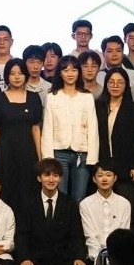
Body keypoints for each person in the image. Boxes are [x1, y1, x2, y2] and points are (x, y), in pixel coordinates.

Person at [15, 158, 89, 265]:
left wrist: (79, 258)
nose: (51, 179)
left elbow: (76, 235)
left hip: (63, 258)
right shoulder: (28, 203)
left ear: (60, 178)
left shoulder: (70, 204)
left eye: (55, 175)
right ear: (39, 178)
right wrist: (24, 259)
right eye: (47, 175)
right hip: (36, 258)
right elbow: (22, 235)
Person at [42, 55, 100, 202]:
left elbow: (93, 128)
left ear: (79, 72)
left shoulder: (87, 97)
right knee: (60, 197)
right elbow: (47, 129)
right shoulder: (52, 97)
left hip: (82, 154)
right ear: (60, 73)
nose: (70, 74)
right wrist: (48, 158)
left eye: (74, 70)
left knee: (79, 197)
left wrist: (92, 158)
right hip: (58, 153)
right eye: (66, 70)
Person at [0, 59, 43, 213]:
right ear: (7, 76)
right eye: (12, 73)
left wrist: (40, 158)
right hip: (5, 154)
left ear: (25, 75)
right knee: (6, 192)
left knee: (28, 193)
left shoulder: (34, 98)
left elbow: (36, 129)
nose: (17, 77)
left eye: (20, 73)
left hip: (28, 154)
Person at [95, 68, 134, 201]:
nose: (115, 86)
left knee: (125, 202)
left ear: (126, 85)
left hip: (125, 165)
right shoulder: (97, 106)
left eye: (120, 82)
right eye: (111, 82)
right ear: (106, 84)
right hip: (102, 164)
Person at [80, 160, 131, 261]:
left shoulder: (124, 203)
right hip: (94, 258)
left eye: (108, 175)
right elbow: (90, 236)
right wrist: (100, 259)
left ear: (115, 178)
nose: (104, 179)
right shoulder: (85, 204)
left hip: (119, 257)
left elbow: (124, 234)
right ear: (94, 179)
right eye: (100, 175)